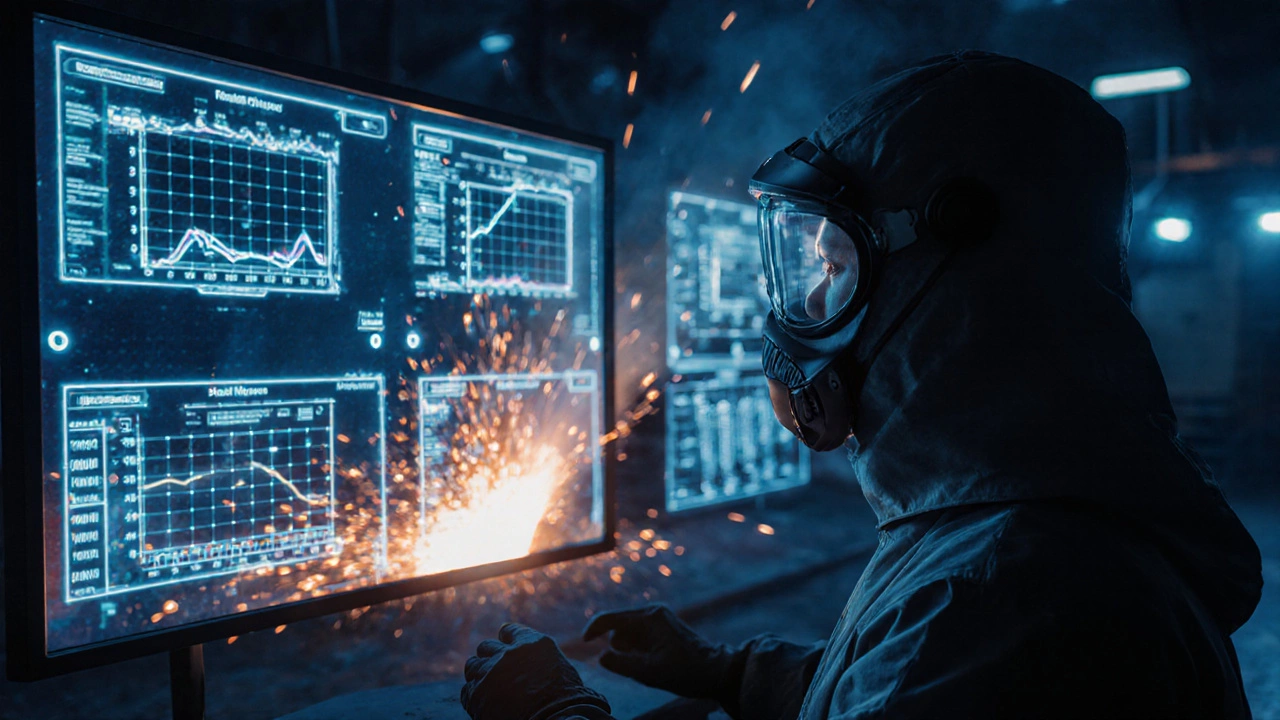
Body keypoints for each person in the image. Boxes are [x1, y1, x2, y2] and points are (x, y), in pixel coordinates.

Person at [460, 51, 1263, 720]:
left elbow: (949, 666)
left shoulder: (1007, 593)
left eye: (837, 266)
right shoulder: (1020, 525)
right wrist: (730, 673)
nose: (807, 306)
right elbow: (900, 690)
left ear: (960, 277)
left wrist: (556, 712)